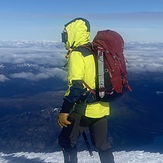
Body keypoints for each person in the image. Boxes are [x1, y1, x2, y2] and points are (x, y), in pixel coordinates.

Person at [58, 17, 115, 163]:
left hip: (82, 109)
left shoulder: (78, 54)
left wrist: (64, 111)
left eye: (65, 35)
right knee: (102, 144)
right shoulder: (95, 51)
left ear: (73, 33)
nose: (64, 39)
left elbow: (76, 86)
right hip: (102, 106)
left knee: (67, 142)